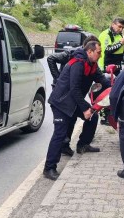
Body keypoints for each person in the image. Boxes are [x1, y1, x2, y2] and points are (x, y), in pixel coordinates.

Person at [43, 39, 111, 180]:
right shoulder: (78, 63)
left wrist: (115, 88)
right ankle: (49, 168)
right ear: (90, 51)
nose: (100, 54)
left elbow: (102, 80)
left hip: (73, 101)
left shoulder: (92, 64)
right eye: (99, 52)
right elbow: (74, 89)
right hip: (61, 102)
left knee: (93, 117)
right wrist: (86, 108)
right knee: (59, 134)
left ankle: (83, 145)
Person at [98, 18, 124, 125]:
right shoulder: (105, 34)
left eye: (122, 27)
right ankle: (104, 117)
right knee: (105, 93)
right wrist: (120, 44)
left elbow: (120, 51)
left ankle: (113, 114)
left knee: (116, 92)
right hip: (105, 68)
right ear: (113, 24)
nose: (120, 29)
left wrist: (123, 49)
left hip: (117, 68)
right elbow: (107, 50)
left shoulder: (119, 36)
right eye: (119, 26)